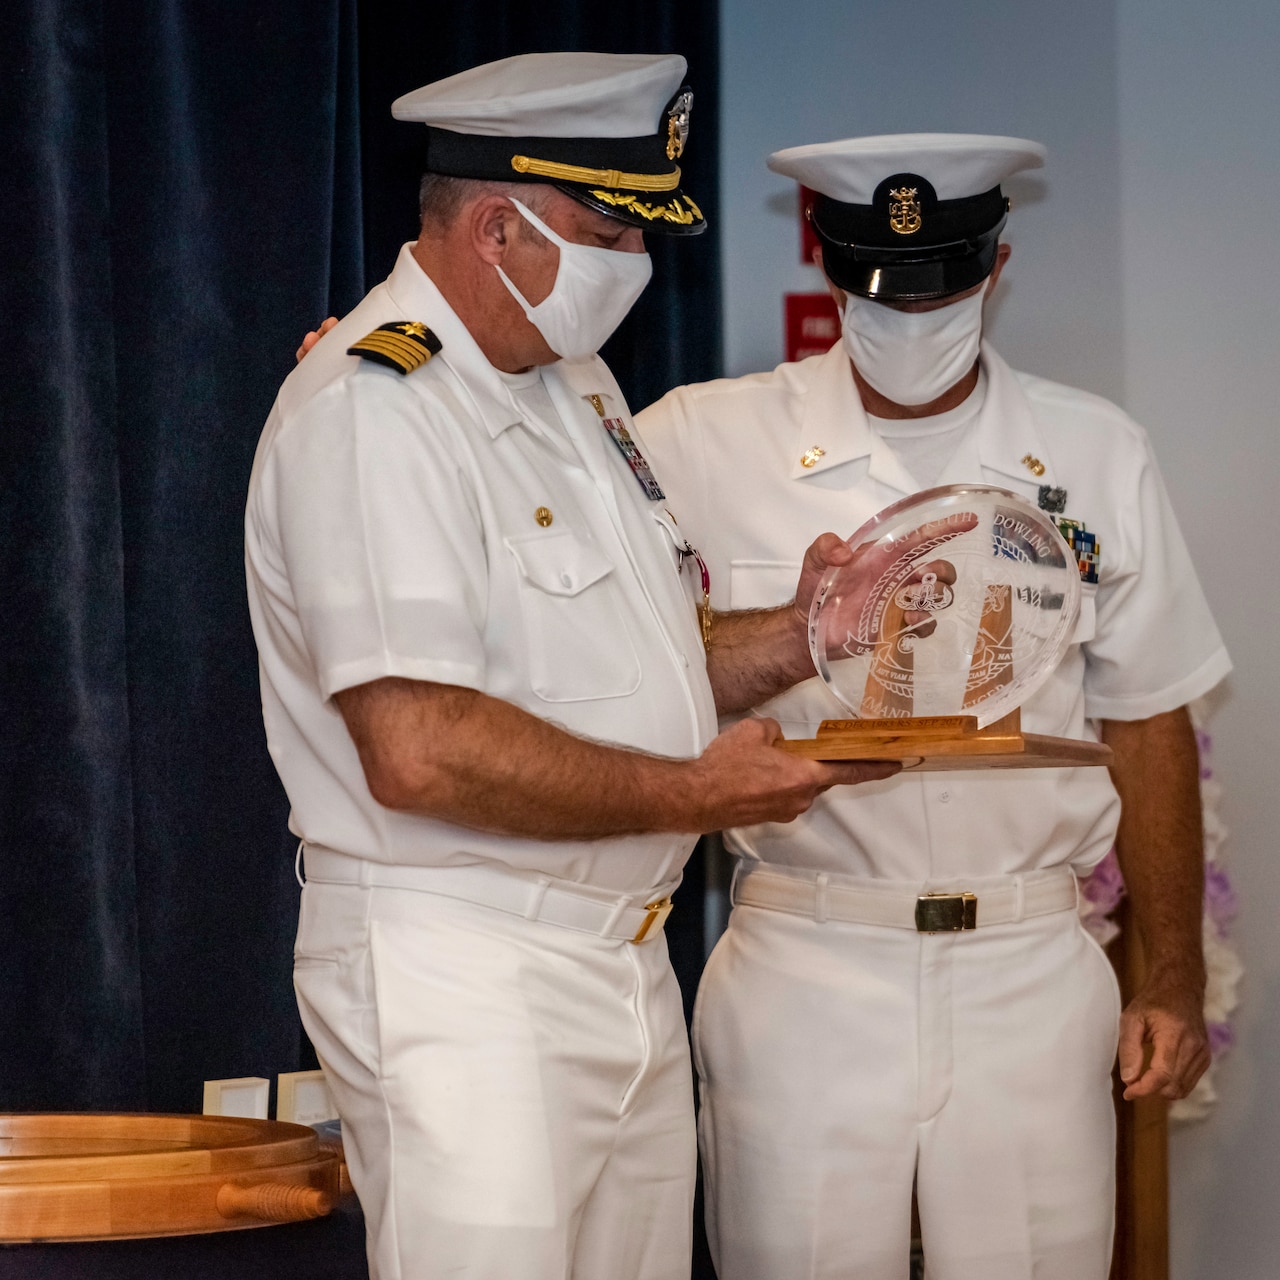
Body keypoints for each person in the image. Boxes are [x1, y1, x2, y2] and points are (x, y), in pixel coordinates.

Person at [245, 54, 901, 1280]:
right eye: (608, 231)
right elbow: (418, 745)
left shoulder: (572, 384)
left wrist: (805, 631)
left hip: (620, 957)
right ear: (497, 223)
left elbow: (631, 668)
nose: (634, 266)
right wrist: (695, 796)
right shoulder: (375, 407)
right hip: (466, 969)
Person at [635, 134, 1231, 1280]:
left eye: (942, 281)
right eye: (875, 283)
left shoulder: (1093, 449)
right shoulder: (699, 439)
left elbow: (1148, 716)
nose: (908, 316)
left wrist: (1168, 976)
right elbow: (599, 642)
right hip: (808, 952)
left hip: (1028, 958)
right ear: (820, 257)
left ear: (997, 261)